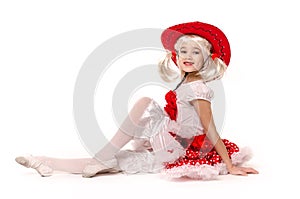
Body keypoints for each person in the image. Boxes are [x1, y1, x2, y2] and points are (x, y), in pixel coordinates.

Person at [15, 21, 258, 180]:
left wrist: (231, 165)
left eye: (196, 52)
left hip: (178, 149)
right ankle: (45, 162)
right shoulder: (186, 83)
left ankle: (102, 158)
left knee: (143, 103)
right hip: (169, 140)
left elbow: (210, 129)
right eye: (184, 51)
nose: (187, 56)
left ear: (206, 59)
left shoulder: (198, 89)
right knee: (117, 161)